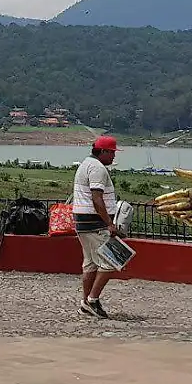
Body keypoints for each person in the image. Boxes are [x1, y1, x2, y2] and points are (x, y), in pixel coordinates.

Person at [73, 135, 124, 318]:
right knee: (111, 261)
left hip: (83, 223)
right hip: (95, 224)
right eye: (111, 153)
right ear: (102, 151)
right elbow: (97, 198)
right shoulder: (97, 169)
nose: (113, 157)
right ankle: (93, 300)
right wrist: (109, 223)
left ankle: (85, 302)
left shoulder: (86, 164)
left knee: (90, 264)